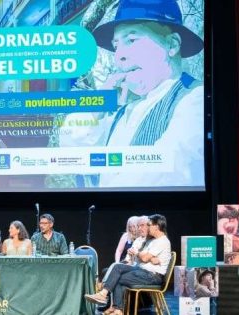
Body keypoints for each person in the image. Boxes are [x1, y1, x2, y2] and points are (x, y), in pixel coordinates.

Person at [60, 0, 205, 188]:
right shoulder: (122, 112)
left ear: (172, 44)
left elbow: (169, 171)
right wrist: (99, 103)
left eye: (131, 40)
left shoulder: (195, 98)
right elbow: (71, 148)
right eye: (116, 45)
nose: (119, 55)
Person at [84, 214, 172, 315]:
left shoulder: (162, 241)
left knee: (117, 278)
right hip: (143, 271)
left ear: (156, 227)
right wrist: (150, 258)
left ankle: (115, 306)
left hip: (152, 275)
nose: (147, 227)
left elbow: (143, 257)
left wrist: (141, 255)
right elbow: (144, 257)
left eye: (149, 225)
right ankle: (110, 301)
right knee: (117, 267)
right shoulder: (152, 240)